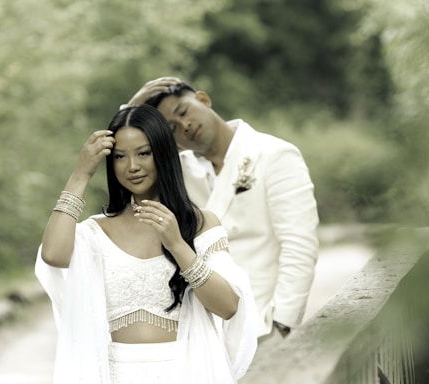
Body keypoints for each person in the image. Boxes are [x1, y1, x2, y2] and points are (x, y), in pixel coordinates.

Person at [34, 104, 258, 384]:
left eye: (143, 153)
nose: (133, 166)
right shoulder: (96, 233)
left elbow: (228, 306)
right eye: (120, 157)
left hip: (185, 381)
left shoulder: (199, 224)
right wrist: (80, 174)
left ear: (163, 155)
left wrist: (177, 244)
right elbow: (54, 254)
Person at [126, 77, 320, 347]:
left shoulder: (274, 154)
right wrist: (132, 109)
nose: (185, 126)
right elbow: (124, 167)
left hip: (261, 327)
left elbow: (299, 245)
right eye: (171, 129)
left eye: (184, 112)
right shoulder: (175, 173)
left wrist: (284, 325)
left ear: (203, 100)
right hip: (202, 333)